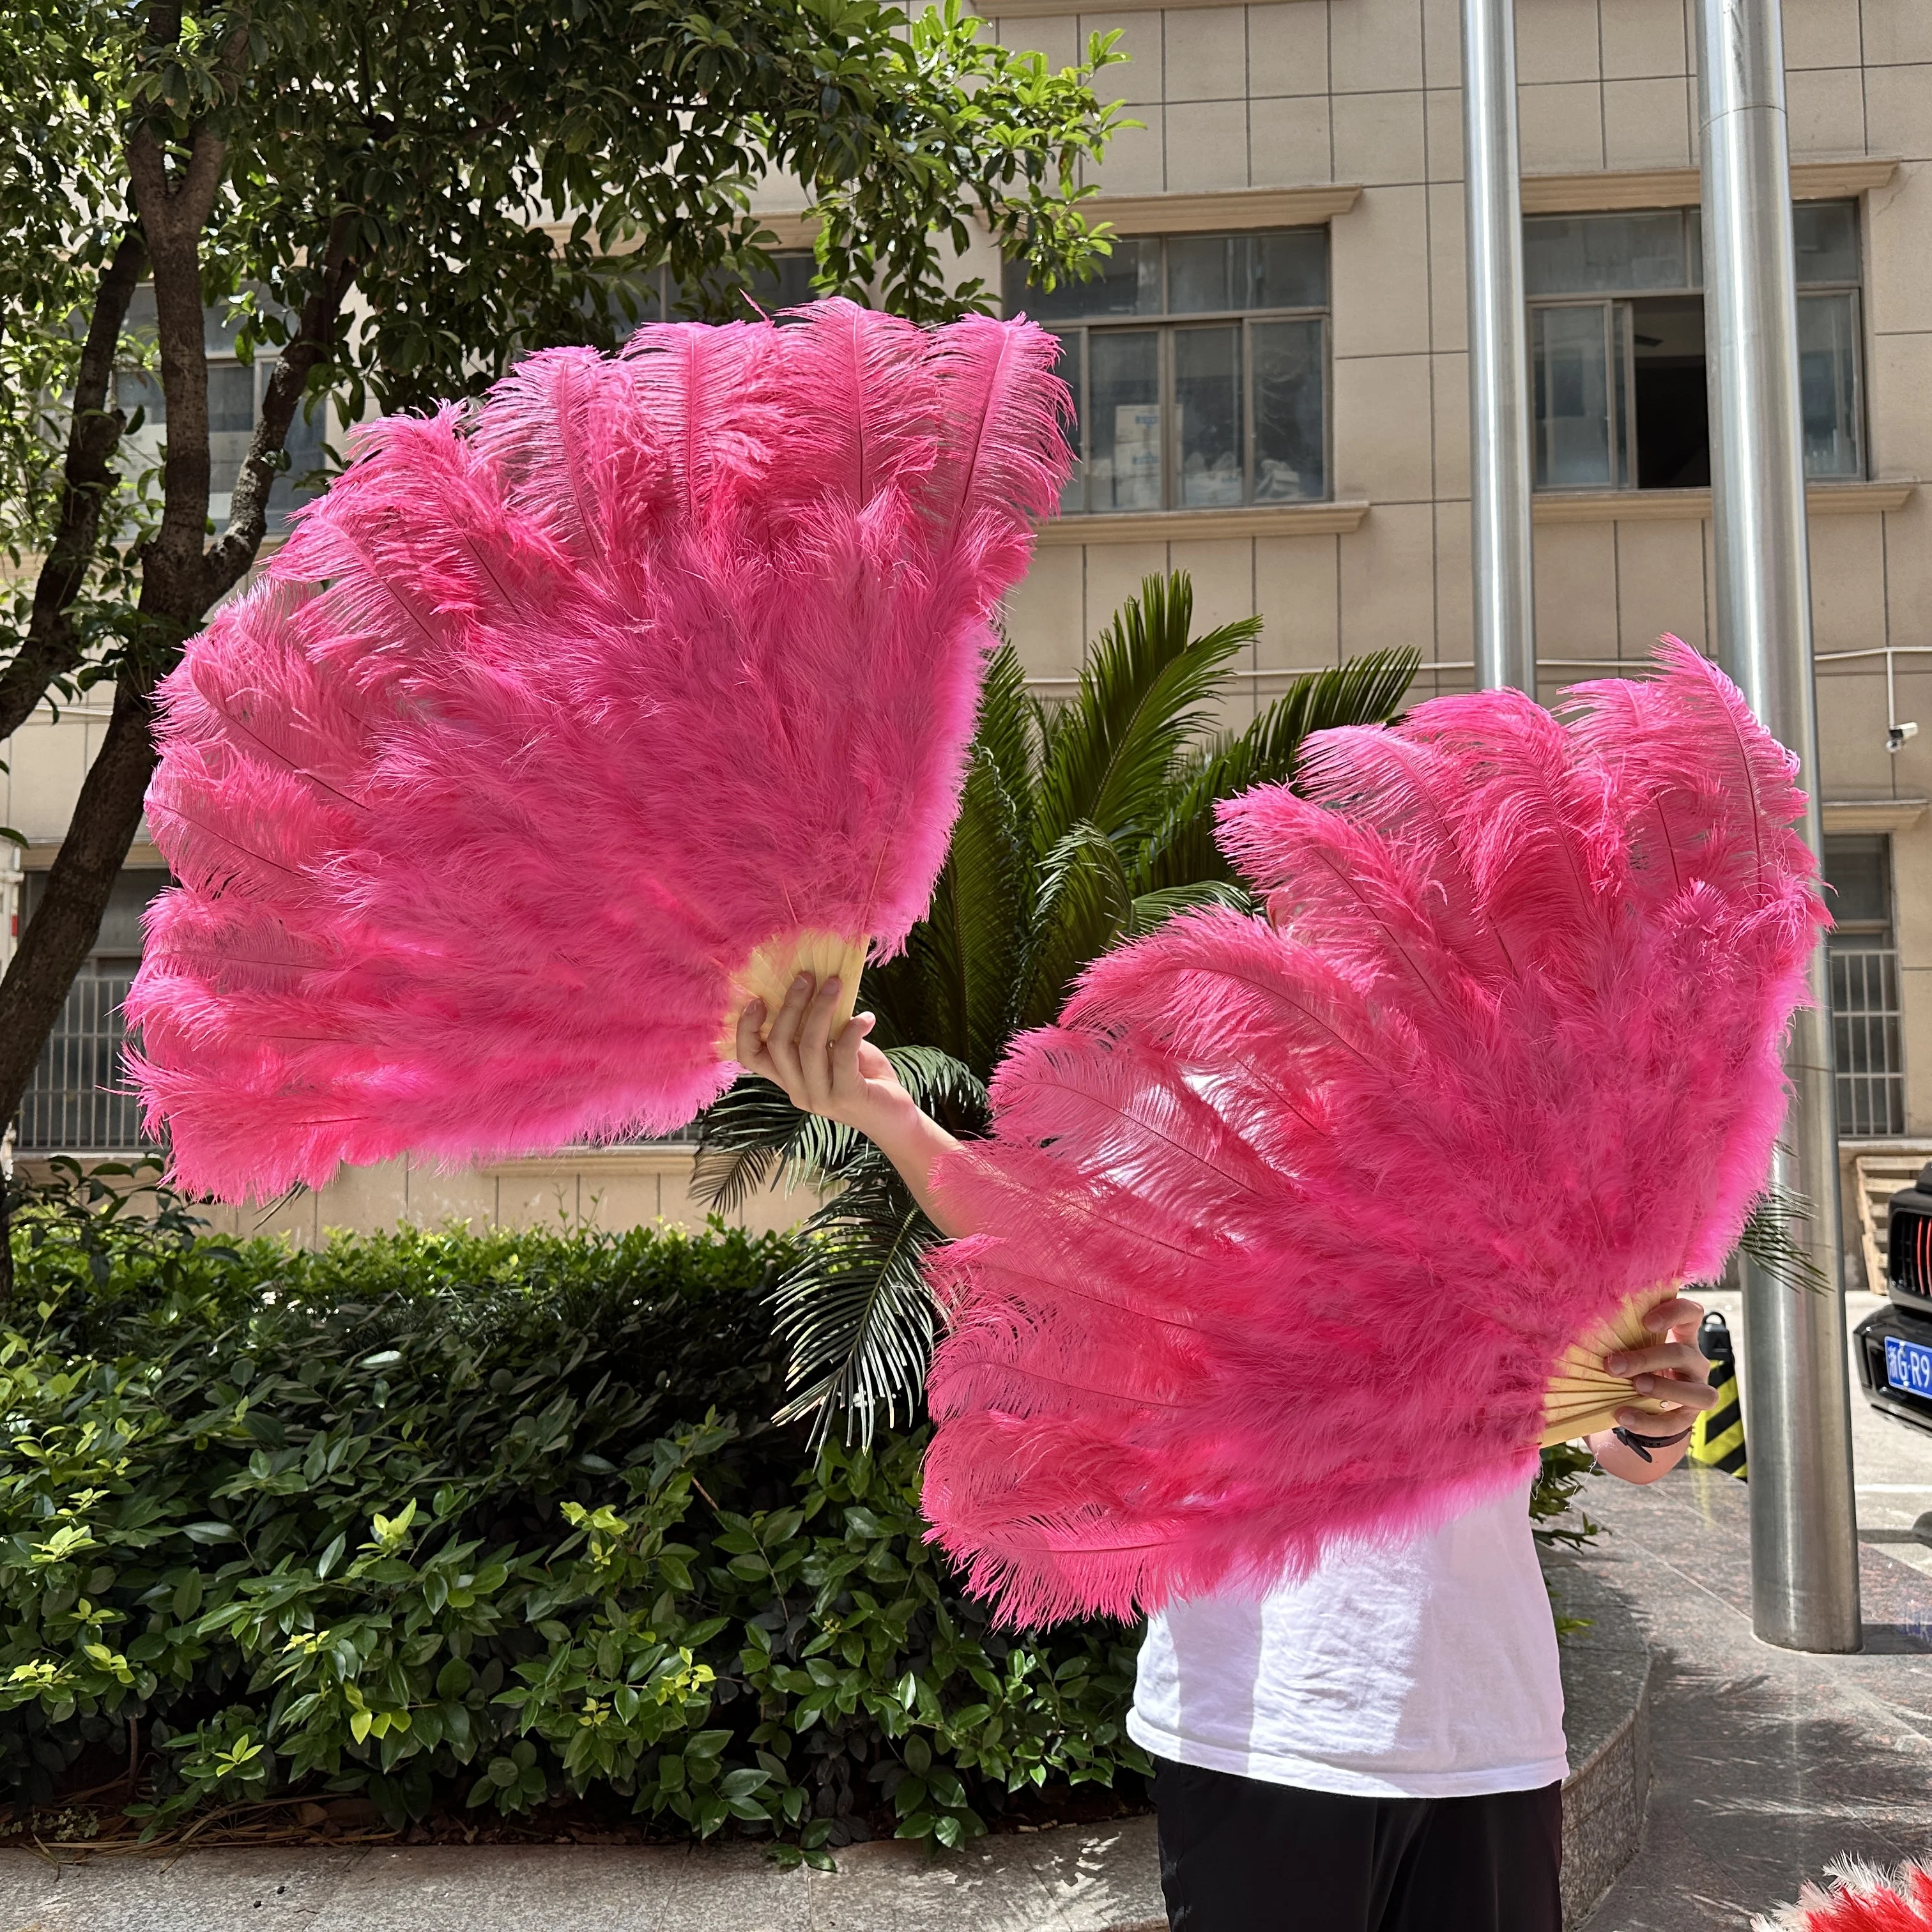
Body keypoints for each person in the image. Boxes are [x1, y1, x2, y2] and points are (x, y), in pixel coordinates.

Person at [735, 970, 1721, 1932]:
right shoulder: (1205, 1114)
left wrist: (1655, 1410)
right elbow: (1053, 1239)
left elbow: (1622, 1438)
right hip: (1264, 1731)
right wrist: (891, 1120)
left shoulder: (1519, 1136)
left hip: (1486, 1732)